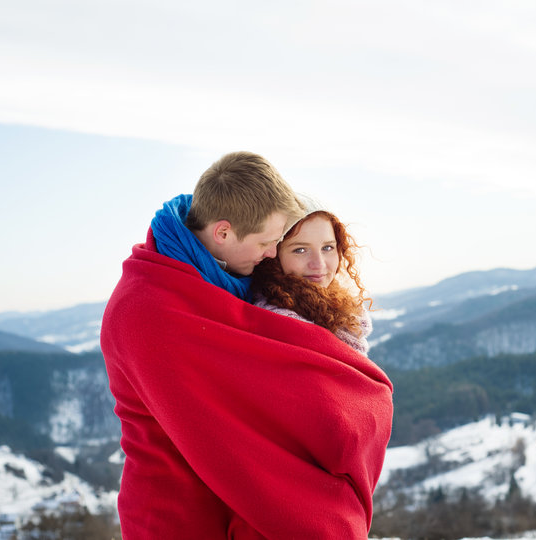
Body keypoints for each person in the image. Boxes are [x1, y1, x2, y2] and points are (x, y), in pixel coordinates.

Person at [100, 152, 394, 539]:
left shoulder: (216, 272)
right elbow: (240, 416)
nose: (272, 255)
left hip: (229, 506)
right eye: (269, 243)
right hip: (182, 516)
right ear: (223, 232)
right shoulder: (149, 308)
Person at [251, 198, 372, 355]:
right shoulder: (281, 325)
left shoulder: (340, 308)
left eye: (327, 248)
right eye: (300, 250)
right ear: (273, 256)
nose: (318, 264)